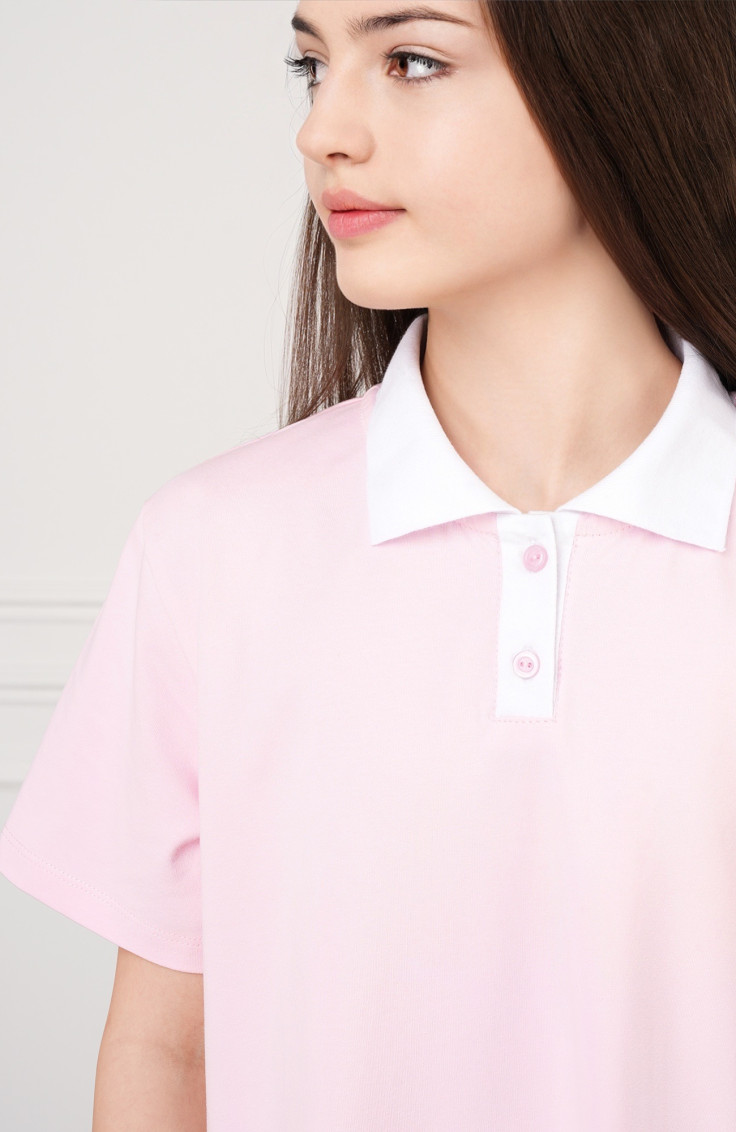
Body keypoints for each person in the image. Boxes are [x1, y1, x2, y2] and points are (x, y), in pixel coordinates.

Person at [2, 1, 736, 1128]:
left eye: (411, 60)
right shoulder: (214, 547)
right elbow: (167, 1049)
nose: (322, 131)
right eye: (312, 64)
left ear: (621, 75)